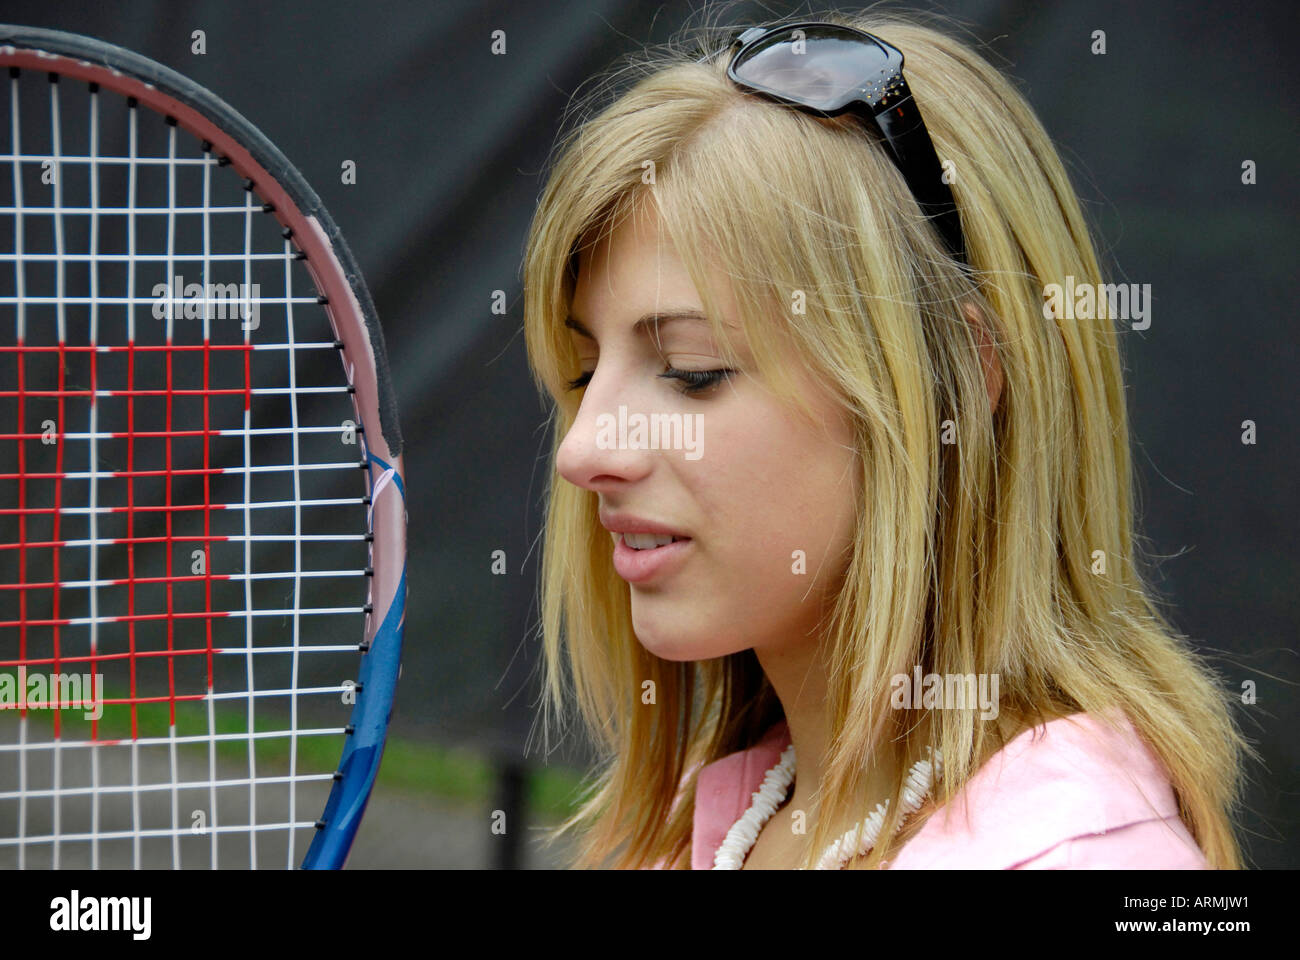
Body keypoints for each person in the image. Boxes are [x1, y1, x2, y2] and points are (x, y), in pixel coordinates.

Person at [520, 7, 1249, 869]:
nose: (583, 449)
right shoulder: (709, 822)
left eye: (692, 368)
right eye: (581, 371)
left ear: (957, 384)